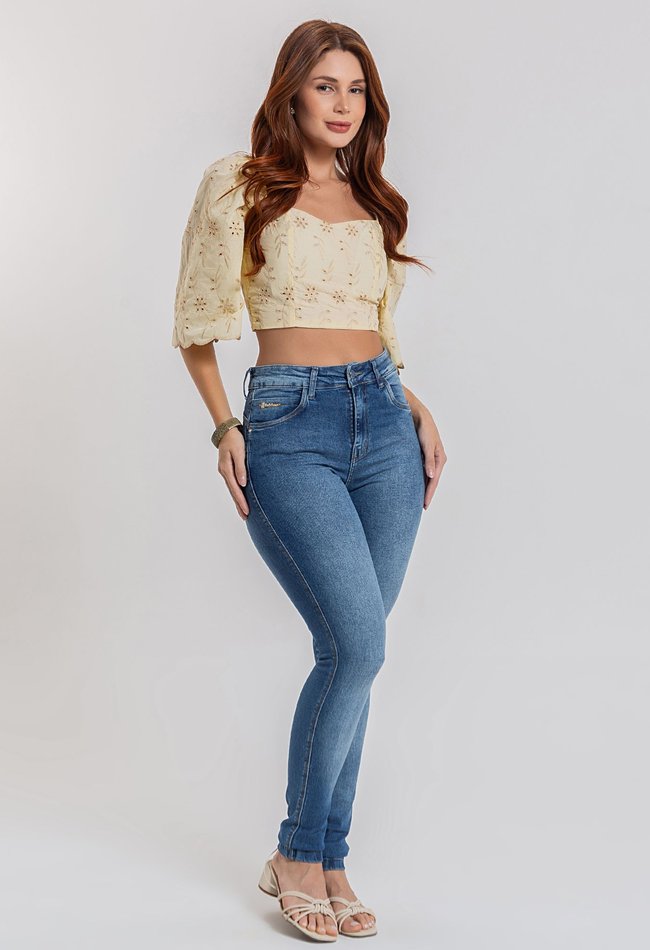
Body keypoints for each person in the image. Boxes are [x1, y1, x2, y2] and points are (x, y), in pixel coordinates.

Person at [172, 19, 447, 943]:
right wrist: (225, 425)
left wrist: (414, 405)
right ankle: (298, 852)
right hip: (289, 426)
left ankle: (328, 856)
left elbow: (377, 330)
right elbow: (197, 321)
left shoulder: (372, 200)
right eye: (326, 85)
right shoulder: (241, 184)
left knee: (356, 654)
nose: (343, 104)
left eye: (356, 89)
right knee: (356, 648)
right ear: (291, 91)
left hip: (387, 427)